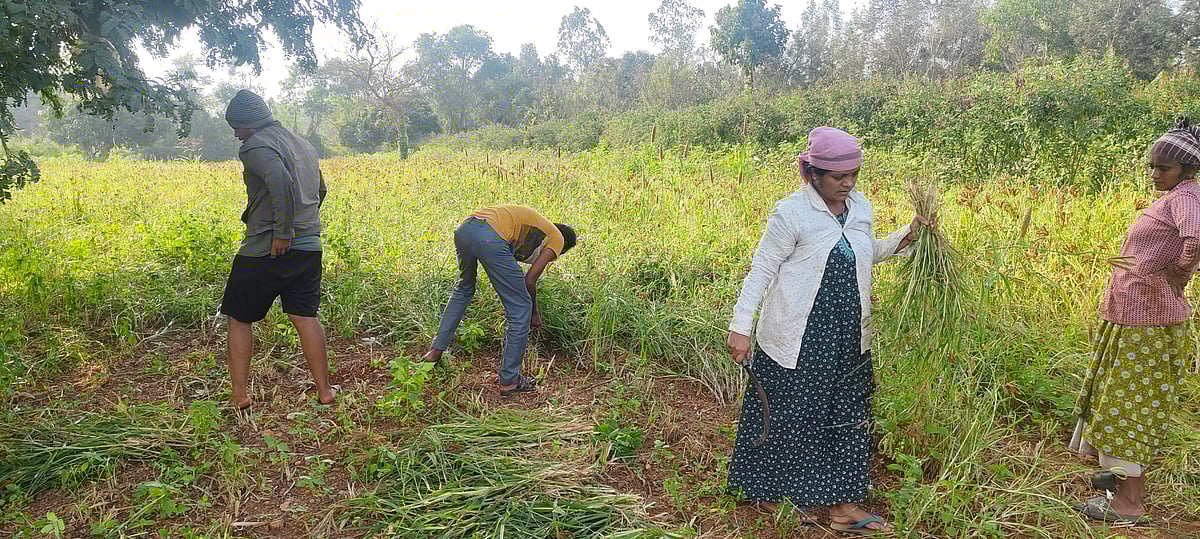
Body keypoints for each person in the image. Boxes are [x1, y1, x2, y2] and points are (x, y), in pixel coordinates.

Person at [725, 127, 927, 535]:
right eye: (839, 177)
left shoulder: (860, 207)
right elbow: (761, 270)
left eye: (854, 174)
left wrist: (906, 237)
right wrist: (740, 326)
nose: (848, 183)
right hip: (798, 333)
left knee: (849, 415)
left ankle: (845, 506)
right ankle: (773, 494)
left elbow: (865, 252)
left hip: (850, 333)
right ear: (813, 174)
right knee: (792, 414)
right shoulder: (792, 213)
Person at [1069, 120, 1200, 524]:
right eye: (1152, 166)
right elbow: (1151, 250)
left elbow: (1194, 239)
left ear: (1187, 170)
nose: (1155, 174)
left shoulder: (1187, 198)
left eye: (1164, 168)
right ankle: (1117, 478)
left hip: (1148, 323)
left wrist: (1178, 275)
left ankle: (1128, 503)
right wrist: (1122, 266)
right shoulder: (1177, 196)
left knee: (1128, 409)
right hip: (1131, 315)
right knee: (1114, 402)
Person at [219, 89, 335, 409]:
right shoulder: (302, 143)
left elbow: (280, 181)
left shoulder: (256, 145)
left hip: (267, 247)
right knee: (304, 316)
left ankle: (240, 395)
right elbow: (320, 189)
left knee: (239, 318)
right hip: (309, 247)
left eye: (237, 127)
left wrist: (283, 232)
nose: (236, 135)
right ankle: (325, 391)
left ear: (250, 125)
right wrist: (303, 227)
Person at [422, 205, 577, 395]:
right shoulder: (558, 239)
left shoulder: (535, 226)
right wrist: (534, 313)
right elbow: (529, 280)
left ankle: (434, 352)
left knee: (464, 289)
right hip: (489, 237)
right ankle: (510, 380)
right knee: (521, 308)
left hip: (465, 229)